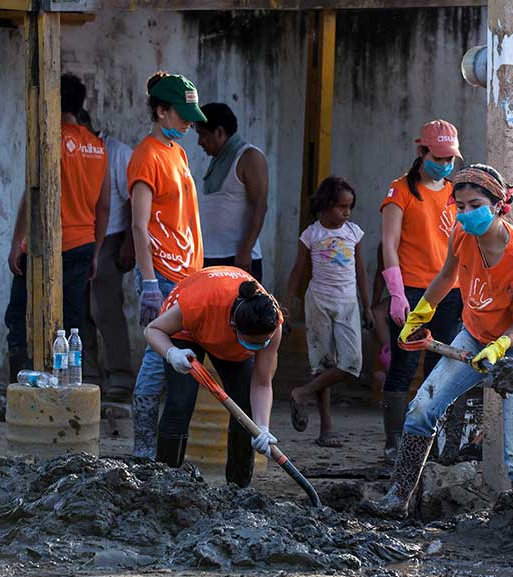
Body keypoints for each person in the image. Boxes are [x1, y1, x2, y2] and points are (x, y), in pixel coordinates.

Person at [369, 164, 513, 518]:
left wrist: (498, 348)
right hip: (473, 336)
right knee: (421, 410)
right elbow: (445, 277)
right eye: (460, 205)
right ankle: (397, 498)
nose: (466, 213)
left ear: (499, 205)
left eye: (475, 205)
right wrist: (421, 313)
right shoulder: (461, 235)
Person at [5, 73, 110, 378]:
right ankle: (66, 385)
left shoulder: (49, 141)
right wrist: (96, 251)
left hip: (43, 245)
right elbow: (103, 206)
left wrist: (16, 244)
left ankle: (21, 386)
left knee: (21, 316)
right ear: (80, 105)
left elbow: (33, 194)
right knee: (70, 322)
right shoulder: (97, 147)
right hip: (83, 245)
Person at [143, 266, 282, 487]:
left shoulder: (271, 322)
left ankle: (238, 487)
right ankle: (164, 481)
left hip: (226, 338)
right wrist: (172, 353)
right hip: (186, 329)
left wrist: (262, 427)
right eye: (253, 343)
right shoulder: (200, 303)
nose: (258, 348)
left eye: (262, 343)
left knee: (245, 406)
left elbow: (262, 383)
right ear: (233, 327)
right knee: (180, 401)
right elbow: (152, 330)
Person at [129, 71, 207, 459]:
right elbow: (139, 226)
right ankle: (144, 452)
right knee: (158, 359)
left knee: (169, 361)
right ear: (161, 111)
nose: (189, 124)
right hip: (160, 273)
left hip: (186, 273)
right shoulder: (146, 157)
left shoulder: (176, 151)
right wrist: (148, 282)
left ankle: (158, 450)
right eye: (182, 115)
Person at [378, 120, 464, 464]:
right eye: (438, 157)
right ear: (421, 152)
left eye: (450, 159)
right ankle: (394, 442)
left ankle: (428, 439)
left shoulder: (457, 191)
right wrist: (396, 293)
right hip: (413, 289)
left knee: (440, 367)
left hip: (451, 290)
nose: (444, 164)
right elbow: (388, 243)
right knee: (403, 366)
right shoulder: (400, 191)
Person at [285, 176, 372, 448]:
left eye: (349, 207)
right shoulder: (312, 234)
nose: (346, 213)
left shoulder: (353, 232)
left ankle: (302, 392)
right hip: (318, 302)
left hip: (347, 303)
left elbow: (360, 271)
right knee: (324, 363)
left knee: (352, 362)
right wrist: (287, 304)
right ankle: (326, 429)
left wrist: (367, 305)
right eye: (341, 207)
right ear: (324, 206)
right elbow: (297, 270)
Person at [77, 110, 136, 404]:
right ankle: (88, 377)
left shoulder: (116, 152)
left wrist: (129, 242)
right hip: (80, 238)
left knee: (106, 311)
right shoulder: (72, 150)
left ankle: (120, 378)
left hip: (111, 237)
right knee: (78, 311)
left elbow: (134, 199)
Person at [196, 102, 268, 282]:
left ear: (219, 132)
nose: (199, 142)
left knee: (239, 310)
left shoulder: (250, 156)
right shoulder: (217, 159)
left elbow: (260, 206)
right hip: (210, 257)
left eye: (203, 135)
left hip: (237, 259)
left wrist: (245, 250)